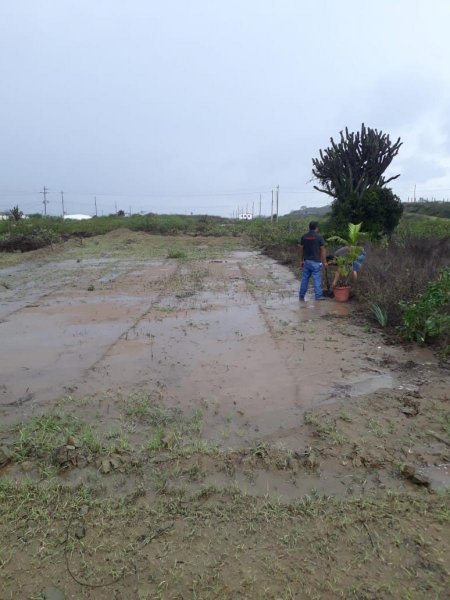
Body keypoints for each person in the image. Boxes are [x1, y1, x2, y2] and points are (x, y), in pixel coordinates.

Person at [298, 221, 328, 301]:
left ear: (309, 227)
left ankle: (301, 295)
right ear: (316, 228)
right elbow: (322, 249)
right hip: (316, 262)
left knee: (304, 279)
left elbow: (301, 249)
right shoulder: (319, 237)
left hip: (306, 262)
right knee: (317, 279)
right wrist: (324, 262)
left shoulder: (304, 236)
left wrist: (301, 260)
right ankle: (318, 296)